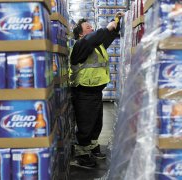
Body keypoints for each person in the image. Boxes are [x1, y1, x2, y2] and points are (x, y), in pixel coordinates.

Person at [69, 12, 124, 168]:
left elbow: (107, 36)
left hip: (95, 90)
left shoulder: (96, 46)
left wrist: (116, 21)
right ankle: (82, 155)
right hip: (83, 91)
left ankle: (92, 149)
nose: (91, 28)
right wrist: (106, 28)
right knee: (86, 125)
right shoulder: (80, 45)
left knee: (96, 124)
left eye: (92, 26)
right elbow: (95, 37)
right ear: (80, 33)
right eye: (88, 27)